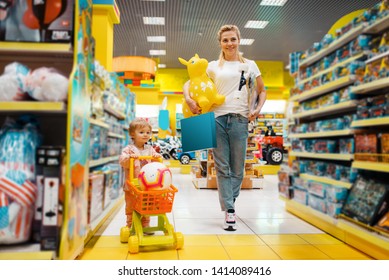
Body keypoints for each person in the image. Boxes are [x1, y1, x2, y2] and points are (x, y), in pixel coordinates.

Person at [183, 24, 267, 231]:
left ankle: (230, 200)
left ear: (239, 40)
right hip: (216, 118)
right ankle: (229, 210)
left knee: (238, 168)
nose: (229, 43)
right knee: (222, 167)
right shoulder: (212, 66)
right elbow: (190, 82)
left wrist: (257, 108)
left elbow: (262, 90)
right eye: (225, 40)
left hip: (240, 119)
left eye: (233, 39)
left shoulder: (250, 65)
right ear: (220, 43)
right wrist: (189, 99)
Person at [119, 118, 161, 231]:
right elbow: (122, 161)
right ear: (132, 134)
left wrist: (157, 157)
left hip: (147, 184)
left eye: (148, 132)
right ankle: (130, 224)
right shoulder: (129, 149)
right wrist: (129, 158)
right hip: (132, 185)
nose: (145, 135)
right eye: (141, 132)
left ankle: (145, 224)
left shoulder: (150, 149)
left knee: (146, 204)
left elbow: (157, 164)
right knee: (131, 205)